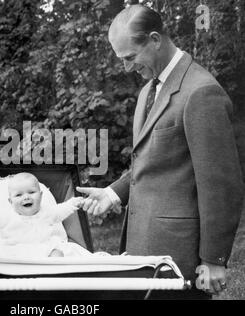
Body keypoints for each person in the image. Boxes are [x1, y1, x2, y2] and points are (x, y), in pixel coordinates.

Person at [77, 4, 244, 299]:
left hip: (179, 256)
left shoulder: (201, 91)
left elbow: (221, 185)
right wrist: (113, 193)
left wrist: (213, 259)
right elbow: (153, 159)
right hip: (141, 249)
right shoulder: (147, 91)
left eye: (130, 57)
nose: (127, 68)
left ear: (155, 39)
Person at [0, 172, 90, 258]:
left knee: (58, 253)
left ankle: (53, 279)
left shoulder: (47, 213)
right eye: (19, 195)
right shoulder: (7, 217)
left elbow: (62, 210)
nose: (26, 197)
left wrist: (74, 203)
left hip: (44, 249)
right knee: (0, 257)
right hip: (16, 251)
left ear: (41, 196)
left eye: (31, 192)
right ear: (10, 201)